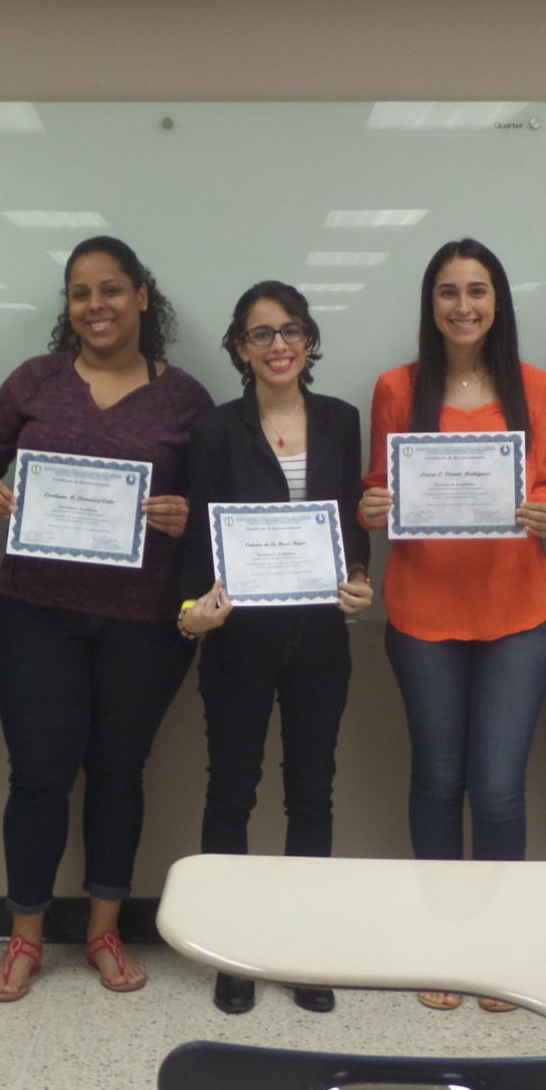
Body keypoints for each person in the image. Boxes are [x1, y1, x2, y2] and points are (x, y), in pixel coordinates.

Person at [0, 236, 212, 1002]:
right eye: (80, 293)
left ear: (142, 297)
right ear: (67, 306)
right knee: (38, 776)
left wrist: (186, 515)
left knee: (118, 774)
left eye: (111, 290)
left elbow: (220, 504)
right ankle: (25, 939)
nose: (95, 306)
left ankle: (104, 931)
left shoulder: (186, 399)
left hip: (145, 622)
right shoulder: (36, 379)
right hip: (35, 614)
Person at [358, 238, 546, 1012]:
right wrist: (372, 505)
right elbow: (379, 487)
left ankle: (499, 953)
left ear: (497, 302)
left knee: (499, 791)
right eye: (448, 291)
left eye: (477, 290)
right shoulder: (397, 387)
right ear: (431, 304)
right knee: (439, 781)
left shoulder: (533, 386)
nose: (463, 305)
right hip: (423, 612)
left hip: (518, 613)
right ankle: (440, 949)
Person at [179, 281, 374, 1016]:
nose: (279, 345)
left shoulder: (341, 420)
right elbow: (201, 536)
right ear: (240, 348)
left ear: (311, 340)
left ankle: (301, 948)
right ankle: (228, 950)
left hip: (320, 635)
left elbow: (348, 527)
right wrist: (192, 612)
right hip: (238, 636)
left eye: (292, 330)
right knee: (231, 791)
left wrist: (360, 578)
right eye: (261, 334)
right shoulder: (214, 430)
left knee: (312, 791)